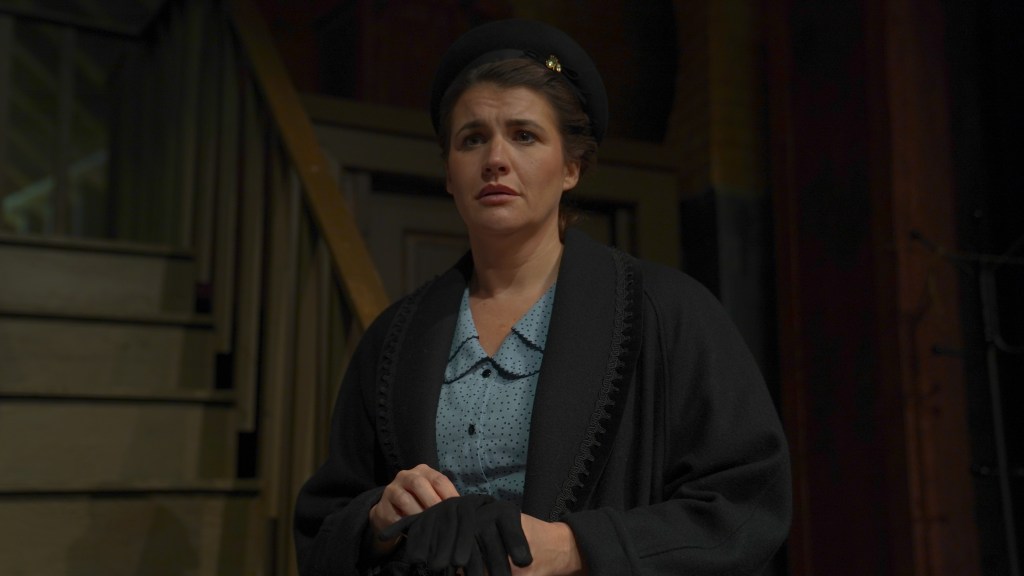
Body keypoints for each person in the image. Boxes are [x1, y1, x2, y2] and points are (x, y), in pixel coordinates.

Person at [294, 18, 791, 576]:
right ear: (449, 174)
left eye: (524, 135)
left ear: (571, 167)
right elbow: (323, 521)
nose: (495, 158)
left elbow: (746, 503)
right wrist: (377, 522)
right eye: (472, 138)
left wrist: (574, 547)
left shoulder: (670, 312)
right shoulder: (394, 337)